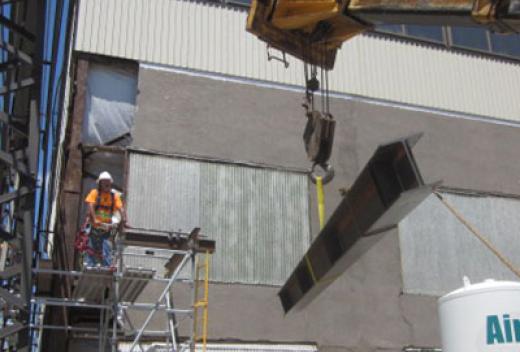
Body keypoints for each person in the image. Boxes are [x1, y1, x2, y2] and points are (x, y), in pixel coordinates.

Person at [84, 171, 125, 268]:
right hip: (94, 227)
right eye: (104, 181)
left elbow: (120, 208)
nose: (106, 183)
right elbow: (90, 205)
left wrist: (124, 220)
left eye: (108, 181)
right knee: (91, 247)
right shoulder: (95, 193)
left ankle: (107, 268)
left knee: (106, 247)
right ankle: (90, 266)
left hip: (106, 228)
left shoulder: (114, 196)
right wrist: (95, 219)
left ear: (110, 183)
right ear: (100, 183)